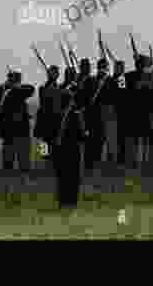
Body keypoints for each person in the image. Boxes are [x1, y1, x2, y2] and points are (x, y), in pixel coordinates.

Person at [0, 71, 35, 185]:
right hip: (20, 130)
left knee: (9, 157)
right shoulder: (16, 91)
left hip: (9, 130)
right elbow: (31, 89)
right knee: (23, 156)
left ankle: (8, 180)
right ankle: (23, 179)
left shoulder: (6, 92)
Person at [53, 75, 86, 210]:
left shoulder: (57, 114)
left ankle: (63, 200)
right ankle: (71, 201)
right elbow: (81, 134)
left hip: (60, 149)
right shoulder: (75, 114)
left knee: (62, 176)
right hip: (73, 149)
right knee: (73, 176)